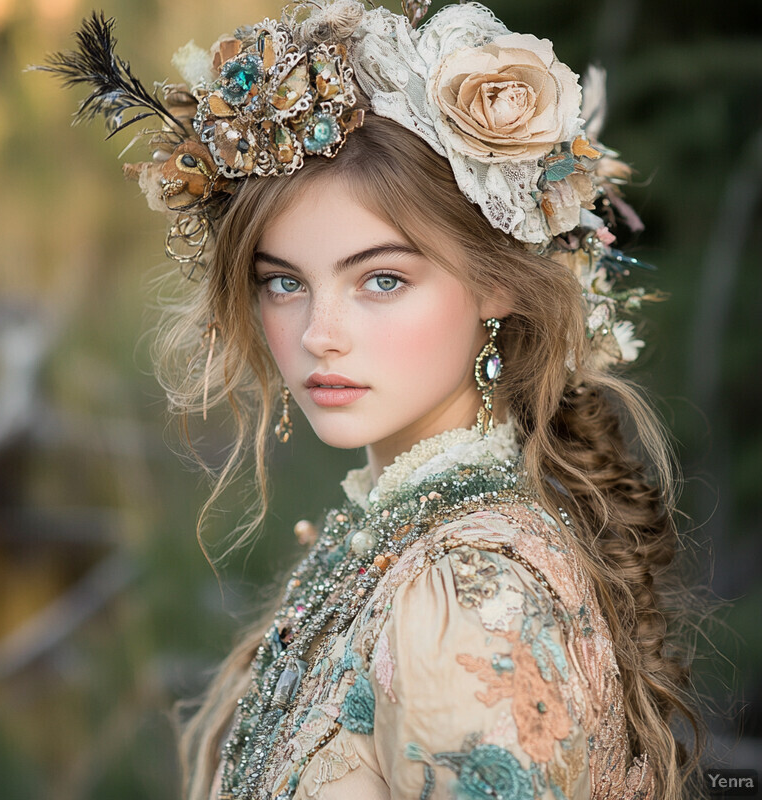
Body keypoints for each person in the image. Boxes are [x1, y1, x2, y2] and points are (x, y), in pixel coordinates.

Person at [41, 1, 705, 797]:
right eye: (283, 282)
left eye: (381, 280)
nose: (320, 333)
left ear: (495, 283)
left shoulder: (464, 597)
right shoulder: (387, 543)